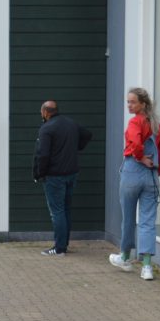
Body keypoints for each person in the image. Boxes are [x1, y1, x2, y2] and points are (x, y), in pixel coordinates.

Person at [109, 88, 160, 281]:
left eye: (133, 102)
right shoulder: (156, 125)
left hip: (132, 172)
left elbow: (134, 142)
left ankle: (125, 257)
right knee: (148, 221)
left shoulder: (135, 122)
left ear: (143, 104)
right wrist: (155, 172)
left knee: (128, 218)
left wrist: (140, 158)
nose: (129, 105)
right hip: (151, 176)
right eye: (128, 102)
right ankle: (147, 267)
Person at [33, 100, 92, 256]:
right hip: (71, 174)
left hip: (54, 176)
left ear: (45, 112)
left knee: (57, 212)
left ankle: (59, 248)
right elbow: (88, 134)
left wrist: (40, 173)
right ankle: (63, 245)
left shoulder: (46, 128)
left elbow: (43, 155)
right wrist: (77, 147)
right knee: (65, 210)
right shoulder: (71, 123)